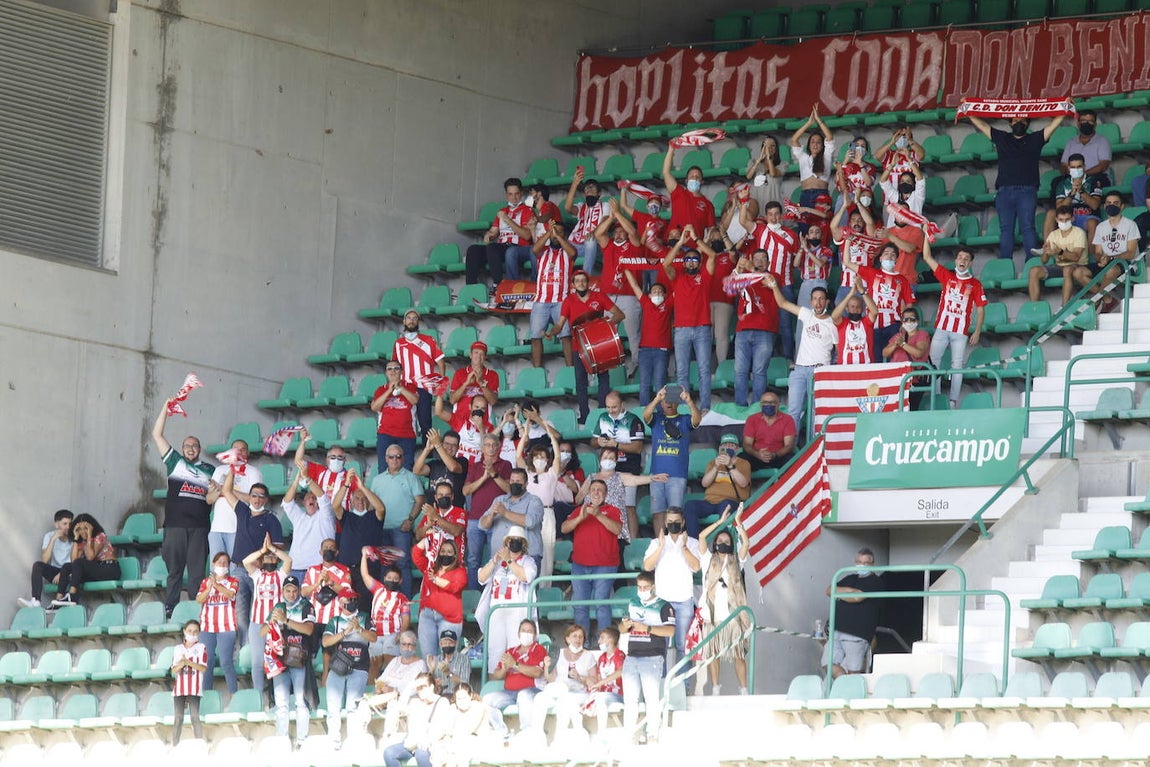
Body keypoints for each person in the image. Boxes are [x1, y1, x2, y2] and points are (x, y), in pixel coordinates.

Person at [962, 111, 1066, 261]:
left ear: (1028, 123)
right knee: (1006, 230)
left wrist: (1064, 110)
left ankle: (1031, 263)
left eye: (1023, 120)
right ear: (1010, 122)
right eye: (1016, 119)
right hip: (1005, 191)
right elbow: (983, 125)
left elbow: (1052, 126)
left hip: (1026, 191)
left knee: (1027, 228)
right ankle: (1005, 264)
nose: (1019, 123)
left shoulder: (1035, 139)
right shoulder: (1002, 138)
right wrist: (969, 112)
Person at [151, 398, 214, 617]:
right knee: (174, 572)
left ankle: (198, 611)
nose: (190, 449)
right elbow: (157, 435)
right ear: (182, 448)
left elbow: (214, 496)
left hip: (199, 528)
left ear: (199, 449)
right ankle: (172, 608)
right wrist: (165, 408)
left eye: (194, 446)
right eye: (187, 445)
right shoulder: (175, 462)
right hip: (175, 527)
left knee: (197, 574)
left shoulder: (209, 469)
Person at [545, 268, 624, 424]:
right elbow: (560, 324)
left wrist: (603, 326)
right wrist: (551, 333)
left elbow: (620, 314)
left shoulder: (599, 296)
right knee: (581, 382)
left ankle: (603, 412)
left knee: (604, 380)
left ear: (588, 283)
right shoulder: (569, 301)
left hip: (599, 345)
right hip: (578, 347)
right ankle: (585, 416)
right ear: (573, 284)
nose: (581, 283)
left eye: (583, 280)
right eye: (577, 280)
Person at [922, 235, 987, 408]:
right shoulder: (947, 276)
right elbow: (927, 257)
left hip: (960, 331)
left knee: (957, 366)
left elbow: (981, 309)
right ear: (956, 260)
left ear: (971, 263)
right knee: (933, 363)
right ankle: (936, 398)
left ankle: (952, 401)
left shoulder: (975, 284)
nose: (962, 260)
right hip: (942, 328)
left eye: (966, 259)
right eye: (960, 257)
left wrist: (978, 330)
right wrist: (926, 235)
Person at [767, 275, 834, 436]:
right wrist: (774, 285)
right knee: (793, 413)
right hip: (799, 370)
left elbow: (839, 350)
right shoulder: (806, 314)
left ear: (827, 302)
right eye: (815, 299)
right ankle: (791, 452)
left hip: (820, 372)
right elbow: (782, 303)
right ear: (810, 302)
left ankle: (813, 449)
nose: (818, 303)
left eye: (821, 299)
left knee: (816, 414)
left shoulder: (833, 323)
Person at [696, 510, 752, 696]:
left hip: (733, 616)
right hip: (712, 616)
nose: (722, 544)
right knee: (713, 654)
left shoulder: (737, 561)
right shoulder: (707, 560)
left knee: (738, 654)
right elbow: (702, 536)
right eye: (719, 541)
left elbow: (746, 543)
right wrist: (720, 522)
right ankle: (715, 688)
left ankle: (744, 689)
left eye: (726, 542)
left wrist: (738, 522)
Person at [222, 469, 282, 638]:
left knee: (259, 615)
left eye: (261, 496)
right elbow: (226, 490)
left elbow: (277, 548)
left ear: (266, 499)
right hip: (239, 570)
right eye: (254, 495)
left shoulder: (271, 519)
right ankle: (245, 652)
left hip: (260, 573)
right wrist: (232, 470)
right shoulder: (242, 511)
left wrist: (261, 562)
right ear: (249, 497)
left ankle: (262, 651)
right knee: (240, 616)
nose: (257, 499)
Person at [662, 230, 717, 409]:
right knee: (682, 372)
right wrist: (679, 243)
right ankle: (685, 409)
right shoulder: (677, 277)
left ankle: (705, 407)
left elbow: (712, 255)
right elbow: (666, 263)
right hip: (681, 330)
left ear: (699, 263)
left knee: (704, 370)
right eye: (688, 259)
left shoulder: (706, 276)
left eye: (695, 259)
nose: (691, 261)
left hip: (702, 328)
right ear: (684, 262)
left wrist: (695, 238)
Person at [620, 571, 675, 745]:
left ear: (652, 587)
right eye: (639, 587)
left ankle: (652, 735)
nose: (642, 590)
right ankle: (630, 735)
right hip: (632, 656)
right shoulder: (632, 603)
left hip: (653, 657)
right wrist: (625, 625)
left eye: (645, 587)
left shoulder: (664, 606)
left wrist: (648, 628)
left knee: (651, 699)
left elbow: (671, 630)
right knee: (630, 700)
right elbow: (621, 629)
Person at [477, 525, 538, 673]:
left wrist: (510, 561)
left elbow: (525, 576)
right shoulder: (498, 562)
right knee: (495, 652)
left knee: (516, 649)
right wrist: (494, 561)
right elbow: (481, 578)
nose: (514, 542)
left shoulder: (528, 561)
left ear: (523, 544)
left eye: (518, 540)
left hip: (516, 611)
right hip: (496, 612)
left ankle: (515, 682)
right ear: (506, 543)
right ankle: (494, 683)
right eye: (511, 540)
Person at [263, 574, 316, 745]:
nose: (291, 594)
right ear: (283, 591)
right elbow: (262, 632)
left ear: (299, 591)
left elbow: (308, 630)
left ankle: (302, 741)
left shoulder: (306, 605)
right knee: (281, 703)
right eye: (288, 590)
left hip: (299, 658)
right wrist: (272, 621)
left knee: (301, 702)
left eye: (294, 591)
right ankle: (281, 741)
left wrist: (286, 620)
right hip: (280, 659)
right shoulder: (278, 606)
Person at [641, 508, 700, 660]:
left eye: (677, 522)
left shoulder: (693, 542)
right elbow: (647, 567)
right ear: (666, 523)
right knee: (661, 646)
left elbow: (696, 567)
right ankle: (662, 683)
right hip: (662, 602)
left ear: (683, 522)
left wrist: (684, 547)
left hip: (684, 601)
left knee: (683, 647)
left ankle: (684, 684)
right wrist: (660, 547)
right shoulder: (656, 542)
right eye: (670, 522)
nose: (673, 524)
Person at [595, 200, 646, 374]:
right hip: (609, 297)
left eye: (620, 231)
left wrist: (618, 214)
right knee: (608, 334)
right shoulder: (608, 246)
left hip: (630, 295)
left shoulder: (634, 246)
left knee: (633, 334)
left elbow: (632, 232)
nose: (618, 234)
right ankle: (608, 367)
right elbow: (598, 234)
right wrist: (611, 217)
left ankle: (638, 364)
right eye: (615, 232)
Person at [322, 586, 376, 747]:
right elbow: (326, 642)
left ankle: (353, 741)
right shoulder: (335, 621)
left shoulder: (365, 617)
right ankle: (334, 742)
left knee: (353, 706)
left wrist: (359, 629)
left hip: (359, 666)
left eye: (354, 599)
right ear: (341, 602)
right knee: (333, 707)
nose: (352, 602)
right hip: (338, 667)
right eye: (348, 599)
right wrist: (345, 632)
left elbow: (373, 637)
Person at [643, 386, 701, 533]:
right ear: (662, 403)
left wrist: (689, 401)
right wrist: (657, 398)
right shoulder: (656, 419)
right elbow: (646, 415)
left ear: (678, 403)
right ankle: (660, 546)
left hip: (677, 476)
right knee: (658, 514)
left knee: (675, 516)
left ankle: (676, 547)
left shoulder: (684, 420)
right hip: (656, 475)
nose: (669, 404)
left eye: (672, 401)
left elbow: (697, 420)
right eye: (666, 401)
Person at [370, 445, 426, 596]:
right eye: (391, 456)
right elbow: (371, 504)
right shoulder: (377, 480)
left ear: (403, 458)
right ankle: (383, 600)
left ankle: (405, 601)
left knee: (403, 565)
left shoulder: (411, 477)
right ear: (386, 459)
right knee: (383, 566)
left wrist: (410, 520)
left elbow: (420, 501)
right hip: (381, 529)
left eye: (398, 456)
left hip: (402, 529)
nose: (395, 459)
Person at [844, 243, 914, 360]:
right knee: (875, 359)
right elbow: (847, 262)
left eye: (893, 255)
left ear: (897, 259)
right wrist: (847, 242)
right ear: (880, 258)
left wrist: (905, 325)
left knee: (895, 358)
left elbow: (909, 304)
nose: (889, 257)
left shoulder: (902, 280)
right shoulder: (872, 273)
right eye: (886, 254)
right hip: (873, 325)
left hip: (894, 326)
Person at [529, 624, 598, 742]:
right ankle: (537, 737)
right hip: (556, 690)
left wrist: (579, 677)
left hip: (577, 693)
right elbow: (550, 679)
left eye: (581, 637)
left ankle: (559, 739)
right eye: (574, 636)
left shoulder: (588, 656)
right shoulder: (558, 653)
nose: (578, 639)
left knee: (565, 700)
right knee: (539, 698)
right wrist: (547, 666)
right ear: (567, 639)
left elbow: (594, 681)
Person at [242, 533, 292, 692]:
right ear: (262, 561)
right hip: (257, 623)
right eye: (267, 558)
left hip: (275, 624)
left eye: (272, 558)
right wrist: (263, 550)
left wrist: (272, 549)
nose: (270, 560)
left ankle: (276, 695)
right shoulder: (257, 575)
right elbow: (245, 562)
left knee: (275, 660)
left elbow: (289, 560)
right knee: (257, 663)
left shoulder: (280, 575)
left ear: (276, 560)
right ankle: (259, 696)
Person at [591, 390, 647, 533]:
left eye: (614, 407)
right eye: (608, 407)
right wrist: (598, 441)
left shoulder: (634, 420)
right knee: (608, 505)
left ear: (622, 404)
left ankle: (633, 541)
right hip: (608, 469)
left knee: (629, 505)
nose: (611, 410)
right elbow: (593, 442)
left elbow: (638, 447)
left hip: (628, 467)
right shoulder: (603, 417)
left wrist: (615, 444)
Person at [331, 467, 387, 610]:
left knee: (365, 608)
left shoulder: (374, 516)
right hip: (347, 570)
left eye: (364, 499)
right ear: (351, 500)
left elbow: (381, 508)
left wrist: (362, 487)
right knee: (346, 606)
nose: (361, 501)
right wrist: (346, 485)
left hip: (368, 570)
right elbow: (335, 505)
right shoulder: (347, 517)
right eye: (357, 498)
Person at [462, 433, 512, 589]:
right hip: (475, 518)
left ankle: (492, 594)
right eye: (488, 445)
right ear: (482, 448)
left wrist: (494, 474)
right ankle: (473, 595)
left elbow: (510, 490)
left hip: (498, 519)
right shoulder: (476, 466)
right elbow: (466, 491)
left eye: (494, 445)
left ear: (498, 447)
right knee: (472, 559)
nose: (491, 448)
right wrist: (484, 477)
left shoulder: (506, 465)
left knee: (495, 558)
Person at [465, 177, 534, 288]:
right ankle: (470, 287)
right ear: (506, 195)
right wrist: (489, 235)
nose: (514, 197)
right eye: (510, 194)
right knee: (473, 250)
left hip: (518, 248)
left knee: (493, 248)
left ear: (521, 193)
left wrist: (507, 219)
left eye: (516, 194)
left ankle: (499, 284)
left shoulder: (527, 210)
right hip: (501, 248)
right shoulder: (502, 211)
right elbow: (493, 231)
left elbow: (527, 235)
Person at [826, 548, 884, 678]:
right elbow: (829, 590)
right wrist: (851, 591)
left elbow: (858, 598)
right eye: (858, 562)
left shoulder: (876, 581)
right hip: (837, 630)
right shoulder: (848, 577)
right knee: (828, 664)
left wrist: (841, 593)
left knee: (853, 671)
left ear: (873, 565)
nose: (861, 565)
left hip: (857, 634)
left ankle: (848, 692)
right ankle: (844, 686)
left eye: (865, 563)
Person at [484, 618, 547, 738]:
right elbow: (497, 675)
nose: (526, 634)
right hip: (510, 693)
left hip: (532, 690)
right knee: (487, 700)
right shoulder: (511, 651)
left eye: (530, 631)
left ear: (534, 635)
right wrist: (504, 668)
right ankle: (501, 733)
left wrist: (515, 664)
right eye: (524, 630)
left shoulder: (539, 650)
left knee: (523, 695)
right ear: (518, 633)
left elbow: (537, 672)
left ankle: (527, 733)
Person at [731, 255, 779, 407]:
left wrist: (751, 267)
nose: (758, 262)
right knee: (740, 371)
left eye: (762, 259)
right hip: (743, 329)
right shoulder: (746, 277)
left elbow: (768, 281)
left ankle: (758, 408)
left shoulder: (773, 276)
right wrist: (739, 267)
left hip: (765, 330)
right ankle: (740, 406)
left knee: (759, 372)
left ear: (769, 263)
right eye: (756, 259)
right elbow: (731, 286)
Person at [1082, 190, 1142, 311]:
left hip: (1126, 263)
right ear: (1104, 206)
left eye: (1115, 203)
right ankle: (1108, 299)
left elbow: (1130, 253)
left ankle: (1097, 300)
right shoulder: (1101, 227)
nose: (1111, 205)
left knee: (1110, 270)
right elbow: (1098, 252)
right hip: (1108, 261)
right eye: (1108, 203)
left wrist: (1111, 258)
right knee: (1079, 272)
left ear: (1122, 206)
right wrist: (1101, 259)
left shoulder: (1131, 225)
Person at [392, 309, 447, 439]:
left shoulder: (429, 340)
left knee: (425, 422)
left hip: (425, 387)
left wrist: (441, 384)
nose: (411, 320)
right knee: (405, 421)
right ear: (404, 321)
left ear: (418, 322)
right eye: (409, 318)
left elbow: (441, 363)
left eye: (414, 318)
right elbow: (394, 366)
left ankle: (427, 455)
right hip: (406, 387)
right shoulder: (398, 343)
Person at [205, 439, 263, 560]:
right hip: (217, 529)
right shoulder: (219, 470)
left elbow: (255, 500)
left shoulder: (253, 472)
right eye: (235, 449)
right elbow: (209, 500)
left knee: (236, 569)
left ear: (248, 453)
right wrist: (220, 490)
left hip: (239, 529)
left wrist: (225, 489)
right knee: (216, 571)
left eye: (243, 450)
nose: (239, 452)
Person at [684, 435, 750, 538]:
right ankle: (694, 543)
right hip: (710, 502)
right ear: (720, 449)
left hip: (730, 501)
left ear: (737, 449)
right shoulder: (712, 463)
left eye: (731, 445)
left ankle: (724, 542)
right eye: (725, 445)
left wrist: (730, 465)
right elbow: (704, 483)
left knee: (725, 506)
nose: (728, 448)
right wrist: (716, 466)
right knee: (690, 506)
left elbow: (743, 483)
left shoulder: (744, 463)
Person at [301, 538, 352, 672]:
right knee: (308, 654)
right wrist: (317, 583)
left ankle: (326, 684)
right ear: (320, 551)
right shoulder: (312, 570)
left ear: (337, 552)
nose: (328, 549)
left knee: (328, 658)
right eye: (325, 547)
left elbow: (347, 592)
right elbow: (304, 591)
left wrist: (330, 582)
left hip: (332, 619)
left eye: (332, 547)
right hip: (313, 619)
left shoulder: (343, 570)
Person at [529, 220, 575, 369]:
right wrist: (550, 232)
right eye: (555, 231)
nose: (556, 235)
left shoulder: (567, 252)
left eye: (560, 232)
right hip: (541, 301)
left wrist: (558, 236)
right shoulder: (543, 251)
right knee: (535, 337)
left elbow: (573, 253)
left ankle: (570, 369)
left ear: (565, 235)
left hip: (561, 301)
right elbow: (535, 249)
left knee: (566, 336)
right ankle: (537, 371)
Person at [623, 271, 673, 406]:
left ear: (665, 295)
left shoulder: (667, 305)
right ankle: (644, 413)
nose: (657, 293)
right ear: (649, 295)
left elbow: (678, 286)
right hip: (644, 351)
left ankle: (662, 413)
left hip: (662, 351)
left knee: (659, 383)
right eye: (654, 291)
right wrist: (627, 268)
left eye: (660, 291)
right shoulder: (646, 303)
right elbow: (634, 286)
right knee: (644, 384)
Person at [50, 513, 120, 608]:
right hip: (97, 568)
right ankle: (58, 600)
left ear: (92, 528)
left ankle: (72, 596)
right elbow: (74, 561)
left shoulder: (100, 536)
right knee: (67, 566)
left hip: (110, 569)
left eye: (86, 528)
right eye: (79, 529)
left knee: (80, 563)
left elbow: (90, 557)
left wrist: (90, 535)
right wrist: (75, 538)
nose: (83, 532)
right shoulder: (83, 542)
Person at [381, 674, 453, 767]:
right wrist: (410, 687)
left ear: (431, 687)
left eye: (423, 687)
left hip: (431, 743)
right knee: (389, 752)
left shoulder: (442, 702)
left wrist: (428, 740)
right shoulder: (415, 701)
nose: (420, 690)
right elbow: (400, 706)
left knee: (421, 754)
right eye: (418, 688)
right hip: (412, 743)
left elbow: (442, 728)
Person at [282, 459, 336, 581]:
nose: (312, 499)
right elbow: (287, 502)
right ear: (304, 502)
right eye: (308, 498)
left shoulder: (325, 516)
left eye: (314, 498)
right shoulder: (298, 517)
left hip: (319, 570)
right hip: (295, 569)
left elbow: (322, 497)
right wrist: (296, 481)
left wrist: (308, 479)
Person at [412, 537, 466, 659]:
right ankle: (430, 678)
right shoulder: (430, 568)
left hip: (449, 619)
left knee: (447, 659)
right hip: (427, 616)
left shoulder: (460, 571)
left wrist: (435, 579)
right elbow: (416, 554)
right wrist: (428, 537)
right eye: (442, 551)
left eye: (449, 551)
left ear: (455, 555)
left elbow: (456, 587)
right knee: (428, 657)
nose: (445, 554)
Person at [360, 558, 411, 682]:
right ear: (384, 578)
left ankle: (391, 693)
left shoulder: (402, 598)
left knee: (391, 665)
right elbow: (364, 574)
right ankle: (372, 694)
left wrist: (401, 634)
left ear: (400, 581)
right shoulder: (378, 589)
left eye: (395, 578)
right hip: (375, 636)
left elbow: (405, 619)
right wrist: (364, 555)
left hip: (392, 635)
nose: (392, 580)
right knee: (374, 666)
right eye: (389, 577)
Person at [196, 550, 239, 694]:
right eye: (219, 562)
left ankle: (234, 695)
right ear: (213, 564)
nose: (222, 565)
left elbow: (230, 594)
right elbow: (199, 599)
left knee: (226, 662)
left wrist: (217, 585)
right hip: (207, 627)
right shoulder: (205, 582)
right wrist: (210, 587)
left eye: (225, 563)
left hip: (226, 627)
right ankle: (207, 695)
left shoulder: (233, 581)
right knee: (207, 662)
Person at [1030, 205, 1089, 307]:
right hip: (1059, 266)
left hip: (1078, 265)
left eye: (1067, 219)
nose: (1064, 222)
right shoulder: (1053, 235)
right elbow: (1044, 261)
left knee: (1067, 269)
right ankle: (1034, 307)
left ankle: (1064, 307)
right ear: (1056, 219)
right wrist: (1046, 252)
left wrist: (1060, 251)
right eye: (1061, 220)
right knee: (1034, 271)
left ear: (1072, 218)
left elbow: (1076, 257)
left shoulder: (1079, 233)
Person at [662, 142, 716, 250]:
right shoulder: (678, 192)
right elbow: (666, 172)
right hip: (673, 244)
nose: (694, 179)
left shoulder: (708, 204)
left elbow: (712, 229)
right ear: (686, 181)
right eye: (692, 176)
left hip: (693, 249)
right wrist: (671, 149)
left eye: (697, 177)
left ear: (702, 181)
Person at [1041, 153, 1102, 244]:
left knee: (1092, 223)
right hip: (1068, 217)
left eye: (1079, 167)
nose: (1076, 169)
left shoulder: (1093, 181)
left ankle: (1091, 256)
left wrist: (1081, 191)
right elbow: (1059, 208)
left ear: (1084, 167)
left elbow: (1095, 205)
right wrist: (1072, 194)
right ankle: (1047, 248)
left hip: (1087, 216)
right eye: (1073, 167)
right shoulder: (1062, 183)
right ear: (1069, 168)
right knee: (1051, 213)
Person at [415, 477, 467, 583]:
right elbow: (418, 536)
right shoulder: (431, 513)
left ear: (452, 497)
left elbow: (456, 531)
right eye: (441, 495)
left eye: (447, 495)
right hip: (432, 565)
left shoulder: (460, 512)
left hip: (453, 564)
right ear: (435, 497)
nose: (444, 497)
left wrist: (436, 518)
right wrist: (427, 525)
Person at [18, 509, 72, 609]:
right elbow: (45, 560)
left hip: (69, 573)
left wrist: (63, 573)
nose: (68, 527)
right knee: (38, 565)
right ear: (56, 524)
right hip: (55, 574)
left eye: (70, 524)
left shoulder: (74, 538)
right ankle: (36, 601)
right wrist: (53, 539)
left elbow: (76, 562)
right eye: (65, 524)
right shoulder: (49, 536)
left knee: (71, 570)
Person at [372, 362, 419, 472]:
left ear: (401, 372)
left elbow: (415, 400)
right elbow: (374, 407)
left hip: (406, 434)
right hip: (385, 434)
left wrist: (400, 388)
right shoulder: (380, 390)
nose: (393, 371)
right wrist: (389, 390)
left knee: (406, 468)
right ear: (386, 373)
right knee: (383, 467)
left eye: (396, 368)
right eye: (390, 369)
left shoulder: (410, 387)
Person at [882, 306, 931, 411]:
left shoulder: (922, 334)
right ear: (902, 321)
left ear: (917, 321)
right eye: (906, 319)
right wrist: (895, 345)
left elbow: (918, 353)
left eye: (912, 319)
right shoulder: (898, 335)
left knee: (910, 409)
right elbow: (884, 353)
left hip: (914, 381)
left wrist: (903, 344)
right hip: (895, 379)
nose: (909, 322)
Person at [565, 167, 610, 275]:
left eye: (592, 188)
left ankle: (586, 276)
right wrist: (575, 184)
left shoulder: (605, 205)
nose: (589, 189)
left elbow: (605, 222)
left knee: (590, 240)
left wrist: (594, 233)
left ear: (599, 193)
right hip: (576, 244)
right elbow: (567, 208)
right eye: (586, 189)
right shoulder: (581, 207)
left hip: (596, 246)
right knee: (562, 247)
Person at [790, 106, 835, 209]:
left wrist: (818, 120)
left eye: (819, 142)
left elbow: (829, 137)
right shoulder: (803, 157)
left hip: (821, 195)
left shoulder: (826, 156)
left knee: (820, 224)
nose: (815, 145)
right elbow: (794, 140)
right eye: (812, 142)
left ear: (822, 145)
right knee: (805, 224)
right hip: (805, 194)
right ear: (809, 145)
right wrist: (809, 123)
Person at [584, 626, 626, 738]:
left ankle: (601, 733)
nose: (598, 641)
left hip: (618, 694)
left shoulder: (619, 655)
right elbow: (598, 678)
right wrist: (593, 684)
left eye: (602, 638)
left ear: (610, 640)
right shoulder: (601, 657)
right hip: (603, 694)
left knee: (600, 698)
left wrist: (600, 684)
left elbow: (620, 672)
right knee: (587, 696)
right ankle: (584, 730)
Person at [170, 619, 207, 746]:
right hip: (179, 689)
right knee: (178, 718)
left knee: (194, 717)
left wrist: (188, 662)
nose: (192, 634)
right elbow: (174, 670)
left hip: (194, 688)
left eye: (195, 631)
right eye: (190, 631)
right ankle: (174, 745)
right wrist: (181, 664)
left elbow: (203, 668)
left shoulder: (201, 648)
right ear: (184, 631)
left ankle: (199, 744)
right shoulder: (177, 649)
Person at [740, 391, 796, 473]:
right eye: (765, 402)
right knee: (741, 459)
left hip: (778, 457)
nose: (769, 405)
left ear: (778, 404)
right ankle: (744, 485)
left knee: (792, 459)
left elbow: (789, 446)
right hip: (756, 456)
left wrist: (774, 455)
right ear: (760, 405)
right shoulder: (752, 419)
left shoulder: (788, 419)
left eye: (772, 402)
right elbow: (747, 444)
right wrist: (757, 454)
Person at [448, 341, 500, 425]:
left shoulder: (492, 375)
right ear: (470, 355)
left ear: (485, 357)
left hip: (482, 422)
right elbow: (452, 400)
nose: (478, 356)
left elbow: (493, 401)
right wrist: (466, 384)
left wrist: (481, 383)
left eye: (482, 354)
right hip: (460, 423)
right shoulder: (459, 373)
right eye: (476, 353)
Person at [413, 428, 468, 508]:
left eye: (453, 445)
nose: (449, 447)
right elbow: (416, 471)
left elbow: (452, 467)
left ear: (458, 448)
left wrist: (438, 445)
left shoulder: (462, 461)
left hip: (454, 512)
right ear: (442, 444)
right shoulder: (435, 463)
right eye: (447, 444)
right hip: (433, 511)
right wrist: (427, 450)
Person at [830, 283, 880, 366]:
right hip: (845, 368)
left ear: (862, 309)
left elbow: (874, 311)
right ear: (847, 309)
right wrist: (850, 294)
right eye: (852, 306)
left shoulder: (866, 322)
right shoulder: (843, 323)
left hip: (866, 368)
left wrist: (862, 291)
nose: (855, 309)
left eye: (858, 306)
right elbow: (834, 316)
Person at [1060, 109, 1111, 181]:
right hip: (1073, 178)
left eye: (1090, 121)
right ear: (1078, 123)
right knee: (1056, 182)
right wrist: (1072, 176)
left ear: (1095, 124)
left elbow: (1103, 165)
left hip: (1095, 177)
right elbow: (1064, 165)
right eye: (1083, 121)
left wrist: (1083, 175)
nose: (1087, 123)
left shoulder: (1102, 141)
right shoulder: (1071, 142)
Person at [745, 135, 786, 208]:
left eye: (772, 146)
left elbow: (773, 173)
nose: (769, 148)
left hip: (775, 202)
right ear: (762, 148)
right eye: (766, 145)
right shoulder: (753, 162)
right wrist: (758, 161)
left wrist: (768, 157)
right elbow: (748, 176)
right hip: (758, 202)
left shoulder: (782, 164)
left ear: (776, 149)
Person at [427, 628, 470, 696]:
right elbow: (427, 683)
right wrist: (431, 670)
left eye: (450, 643)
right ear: (440, 644)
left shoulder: (464, 659)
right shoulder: (436, 659)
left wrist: (449, 673)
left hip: (457, 696)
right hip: (439, 696)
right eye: (444, 643)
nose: (447, 645)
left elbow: (465, 683)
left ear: (456, 643)